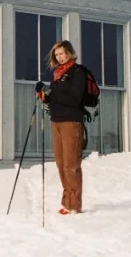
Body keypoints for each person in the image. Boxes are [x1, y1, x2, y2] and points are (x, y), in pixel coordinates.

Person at [35, 40, 86, 215]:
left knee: (71, 164)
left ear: (70, 53)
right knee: (60, 163)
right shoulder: (57, 73)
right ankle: (67, 202)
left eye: (62, 53)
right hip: (56, 121)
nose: (59, 57)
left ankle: (74, 205)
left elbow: (74, 98)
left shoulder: (78, 72)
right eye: (56, 55)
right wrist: (44, 94)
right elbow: (55, 98)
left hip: (71, 121)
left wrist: (52, 92)